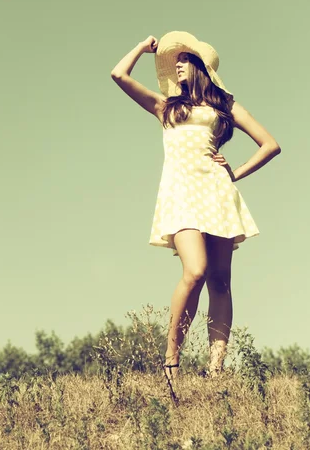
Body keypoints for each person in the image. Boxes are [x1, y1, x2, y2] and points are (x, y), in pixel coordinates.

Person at [111, 31, 281, 382]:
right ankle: (171, 362)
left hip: (217, 192)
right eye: (175, 63)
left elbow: (269, 144)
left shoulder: (225, 106)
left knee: (220, 282)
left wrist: (234, 172)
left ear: (201, 65)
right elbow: (119, 75)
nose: (178, 67)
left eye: (184, 60)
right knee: (196, 271)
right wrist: (143, 48)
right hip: (181, 194)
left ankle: (215, 371)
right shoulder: (165, 106)